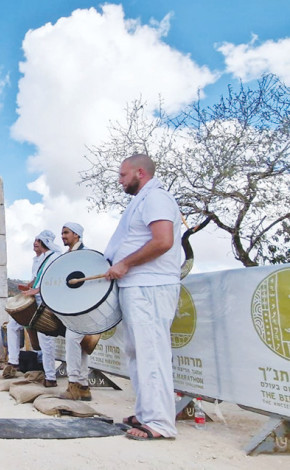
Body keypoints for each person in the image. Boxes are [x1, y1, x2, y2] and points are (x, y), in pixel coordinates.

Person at [103, 153, 181, 441]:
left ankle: (159, 422)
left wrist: (125, 263)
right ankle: (146, 411)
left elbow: (163, 241)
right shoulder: (142, 200)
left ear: (140, 172)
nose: (120, 180)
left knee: (151, 352)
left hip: (151, 285)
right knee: (138, 352)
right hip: (137, 285)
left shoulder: (156, 198)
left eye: (123, 175)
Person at [5, 230, 62, 387]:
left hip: (46, 302)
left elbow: (53, 279)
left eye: (39, 240)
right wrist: (30, 285)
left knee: (46, 338)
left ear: (46, 241)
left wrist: (36, 290)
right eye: (35, 240)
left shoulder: (54, 257)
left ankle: (50, 377)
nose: (35, 242)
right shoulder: (38, 259)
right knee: (12, 325)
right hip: (34, 300)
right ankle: (13, 361)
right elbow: (38, 278)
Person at [56, 222, 95, 401]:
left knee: (73, 341)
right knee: (81, 347)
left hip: (83, 307)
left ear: (76, 235)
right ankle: (84, 387)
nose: (63, 236)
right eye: (62, 233)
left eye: (66, 233)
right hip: (73, 307)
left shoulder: (84, 255)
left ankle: (73, 385)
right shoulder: (69, 255)